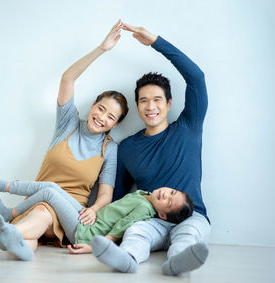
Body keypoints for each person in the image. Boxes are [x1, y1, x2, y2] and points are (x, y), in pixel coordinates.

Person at [0, 20, 129, 261]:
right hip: (35, 204)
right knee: (37, 220)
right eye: (101, 108)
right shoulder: (68, 124)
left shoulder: (109, 148)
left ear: (115, 125)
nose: (102, 117)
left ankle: (9, 222)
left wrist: (93, 210)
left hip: (71, 214)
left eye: (111, 117)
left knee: (49, 201)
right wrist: (101, 49)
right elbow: (67, 79)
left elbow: (105, 195)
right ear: (93, 105)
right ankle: (16, 239)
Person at [90, 23, 210, 275]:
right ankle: (126, 259)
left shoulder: (188, 127)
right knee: (135, 234)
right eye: (143, 100)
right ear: (137, 106)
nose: (150, 106)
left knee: (189, 235)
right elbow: (118, 200)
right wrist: (100, 233)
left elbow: (197, 77)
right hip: (148, 219)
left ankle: (178, 263)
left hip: (191, 215)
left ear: (169, 103)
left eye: (157, 99)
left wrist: (156, 42)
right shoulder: (128, 147)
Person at [0, 175, 194, 255]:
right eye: (172, 192)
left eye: (169, 203)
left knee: (49, 193)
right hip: (86, 218)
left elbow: (120, 228)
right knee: (52, 185)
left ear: (162, 215)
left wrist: (93, 246)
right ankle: (3, 186)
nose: (166, 195)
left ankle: (9, 213)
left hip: (84, 231)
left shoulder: (145, 209)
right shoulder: (144, 195)